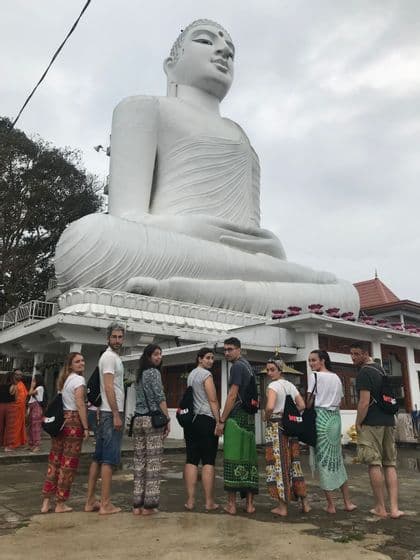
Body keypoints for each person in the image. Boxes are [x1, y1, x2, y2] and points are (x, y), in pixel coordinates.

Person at [54, 19, 359, 317]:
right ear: (171, 63)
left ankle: (184, 290)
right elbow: (126, 217)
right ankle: (249, 293)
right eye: (205, 40)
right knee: (86, 238)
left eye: (231, 50)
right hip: (171, 246)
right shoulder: (143, 108)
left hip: (238, 260)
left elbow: (253, 240)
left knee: (346, 293)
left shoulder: (242, 136)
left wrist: (264, 246)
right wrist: (192, 227)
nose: (223, 52)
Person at [350, 341, 404, 519]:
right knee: (390, 463)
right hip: (388, 420)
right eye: (352, 354)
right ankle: (394, 509)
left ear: (365, 353)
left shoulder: (364, 372)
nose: (353, 357)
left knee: (374, 463)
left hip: (372, 422)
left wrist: (358, 422)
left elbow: (364, 402)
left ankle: (381, 507)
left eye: (356, 354)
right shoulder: (381, 369)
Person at [307, 350, 356, 513]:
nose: (311, 364)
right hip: (335, 419)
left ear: (322, 361)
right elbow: (340, 400)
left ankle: (331, 505)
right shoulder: (336, 377)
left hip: (321, 418)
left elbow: (309, 401)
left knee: (324, 462)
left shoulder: (314, 377)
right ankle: (347, 502)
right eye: (309, 361)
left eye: (313, 360)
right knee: (337, 461)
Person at [85, 322, 126, 515]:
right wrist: (116, 414)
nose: (117, 340)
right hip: (110, 412)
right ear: (108, 338)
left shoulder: (111, 357)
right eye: (114, 337)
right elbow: (109, 387)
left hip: (106, 410)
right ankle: (105, 504)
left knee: (98, 457)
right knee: (108, 459)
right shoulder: (109, 357)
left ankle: (90, 500)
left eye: (120, 337)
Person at [41, 353, 89, 513]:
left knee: (54, 461)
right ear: (70, 365)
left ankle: (46, 501)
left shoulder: (64, 380)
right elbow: (80, 403)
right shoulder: (79, 380)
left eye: (82, 361)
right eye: (77, 361)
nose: (81, 363)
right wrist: (86, 427)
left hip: (61, 423)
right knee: (68, 465)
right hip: (73, 422)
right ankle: (60, 502)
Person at [217, 337, 258, 514]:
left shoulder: (237, 367)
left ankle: (232, 505)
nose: (227, 353)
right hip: (249, 419)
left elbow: (232, 395)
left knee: (232, 458)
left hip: (236, 418)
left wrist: (221, 420)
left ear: (239, 349)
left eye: (230, 349)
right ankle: (249, 505)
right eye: (225, 350)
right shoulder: (248, 366)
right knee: (248, 459)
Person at [264, 358, 310, 516]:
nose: (269, 373)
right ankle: (304, 502)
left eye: (272, 370)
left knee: (280, 464)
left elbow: (270, 406)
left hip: (277, 426)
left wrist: (267, 415)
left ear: (280, 370)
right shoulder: (291, 386)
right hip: (291, 426)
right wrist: (289, 413)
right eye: (268, 370)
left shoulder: (273, 386)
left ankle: (282, 506)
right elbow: (302, 405)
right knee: (294, 463)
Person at [132, 344, 170, 516]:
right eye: (155, 354)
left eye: (160, 354)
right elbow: (160, 397)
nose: (158, 357)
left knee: (140, 462)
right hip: (152, 420)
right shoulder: (154, 373)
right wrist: (167, 418)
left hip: (138, 420)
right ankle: (149, 505)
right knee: (153, 462)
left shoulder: (138, 375)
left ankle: (137, 504)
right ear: (148, 356)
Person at [183, 347, 220, 512]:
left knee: (191, 460)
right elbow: (212, 400)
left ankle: (190, 501)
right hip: (206, 420)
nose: (210, 361)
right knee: (208, 461)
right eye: (207, 358)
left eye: (212, 358)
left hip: (191, 422)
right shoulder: (206, 375)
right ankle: (209, 502)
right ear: (199, 359)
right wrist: (219, 421)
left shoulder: (191, 375)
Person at [5, 369, 28, 450]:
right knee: (13, 427)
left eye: (20, 375)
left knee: (20, 427)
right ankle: (11, 444)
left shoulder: (21, 384)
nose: (19, 376)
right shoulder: (11, 385)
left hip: (21, 409)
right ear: (13, 375)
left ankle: (19, 442)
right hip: (14, 409)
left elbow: (25, 395)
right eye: (17, 374)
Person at [27, 374, 45, 453]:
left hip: (36, 408)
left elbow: (30, 393)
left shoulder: (40, 388)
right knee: (31, 427)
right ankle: (31, 444)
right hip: (32, 407)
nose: (33, 382)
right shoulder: (37, 388)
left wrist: (32, 386)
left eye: (34, 380)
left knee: (36, 427)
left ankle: (36, 445)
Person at [0, 372, 16, 451]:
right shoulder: (13, 386)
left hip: (1, 406)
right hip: (10, 406)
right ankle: (9, 446)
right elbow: (14, 396)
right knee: (10, 426)